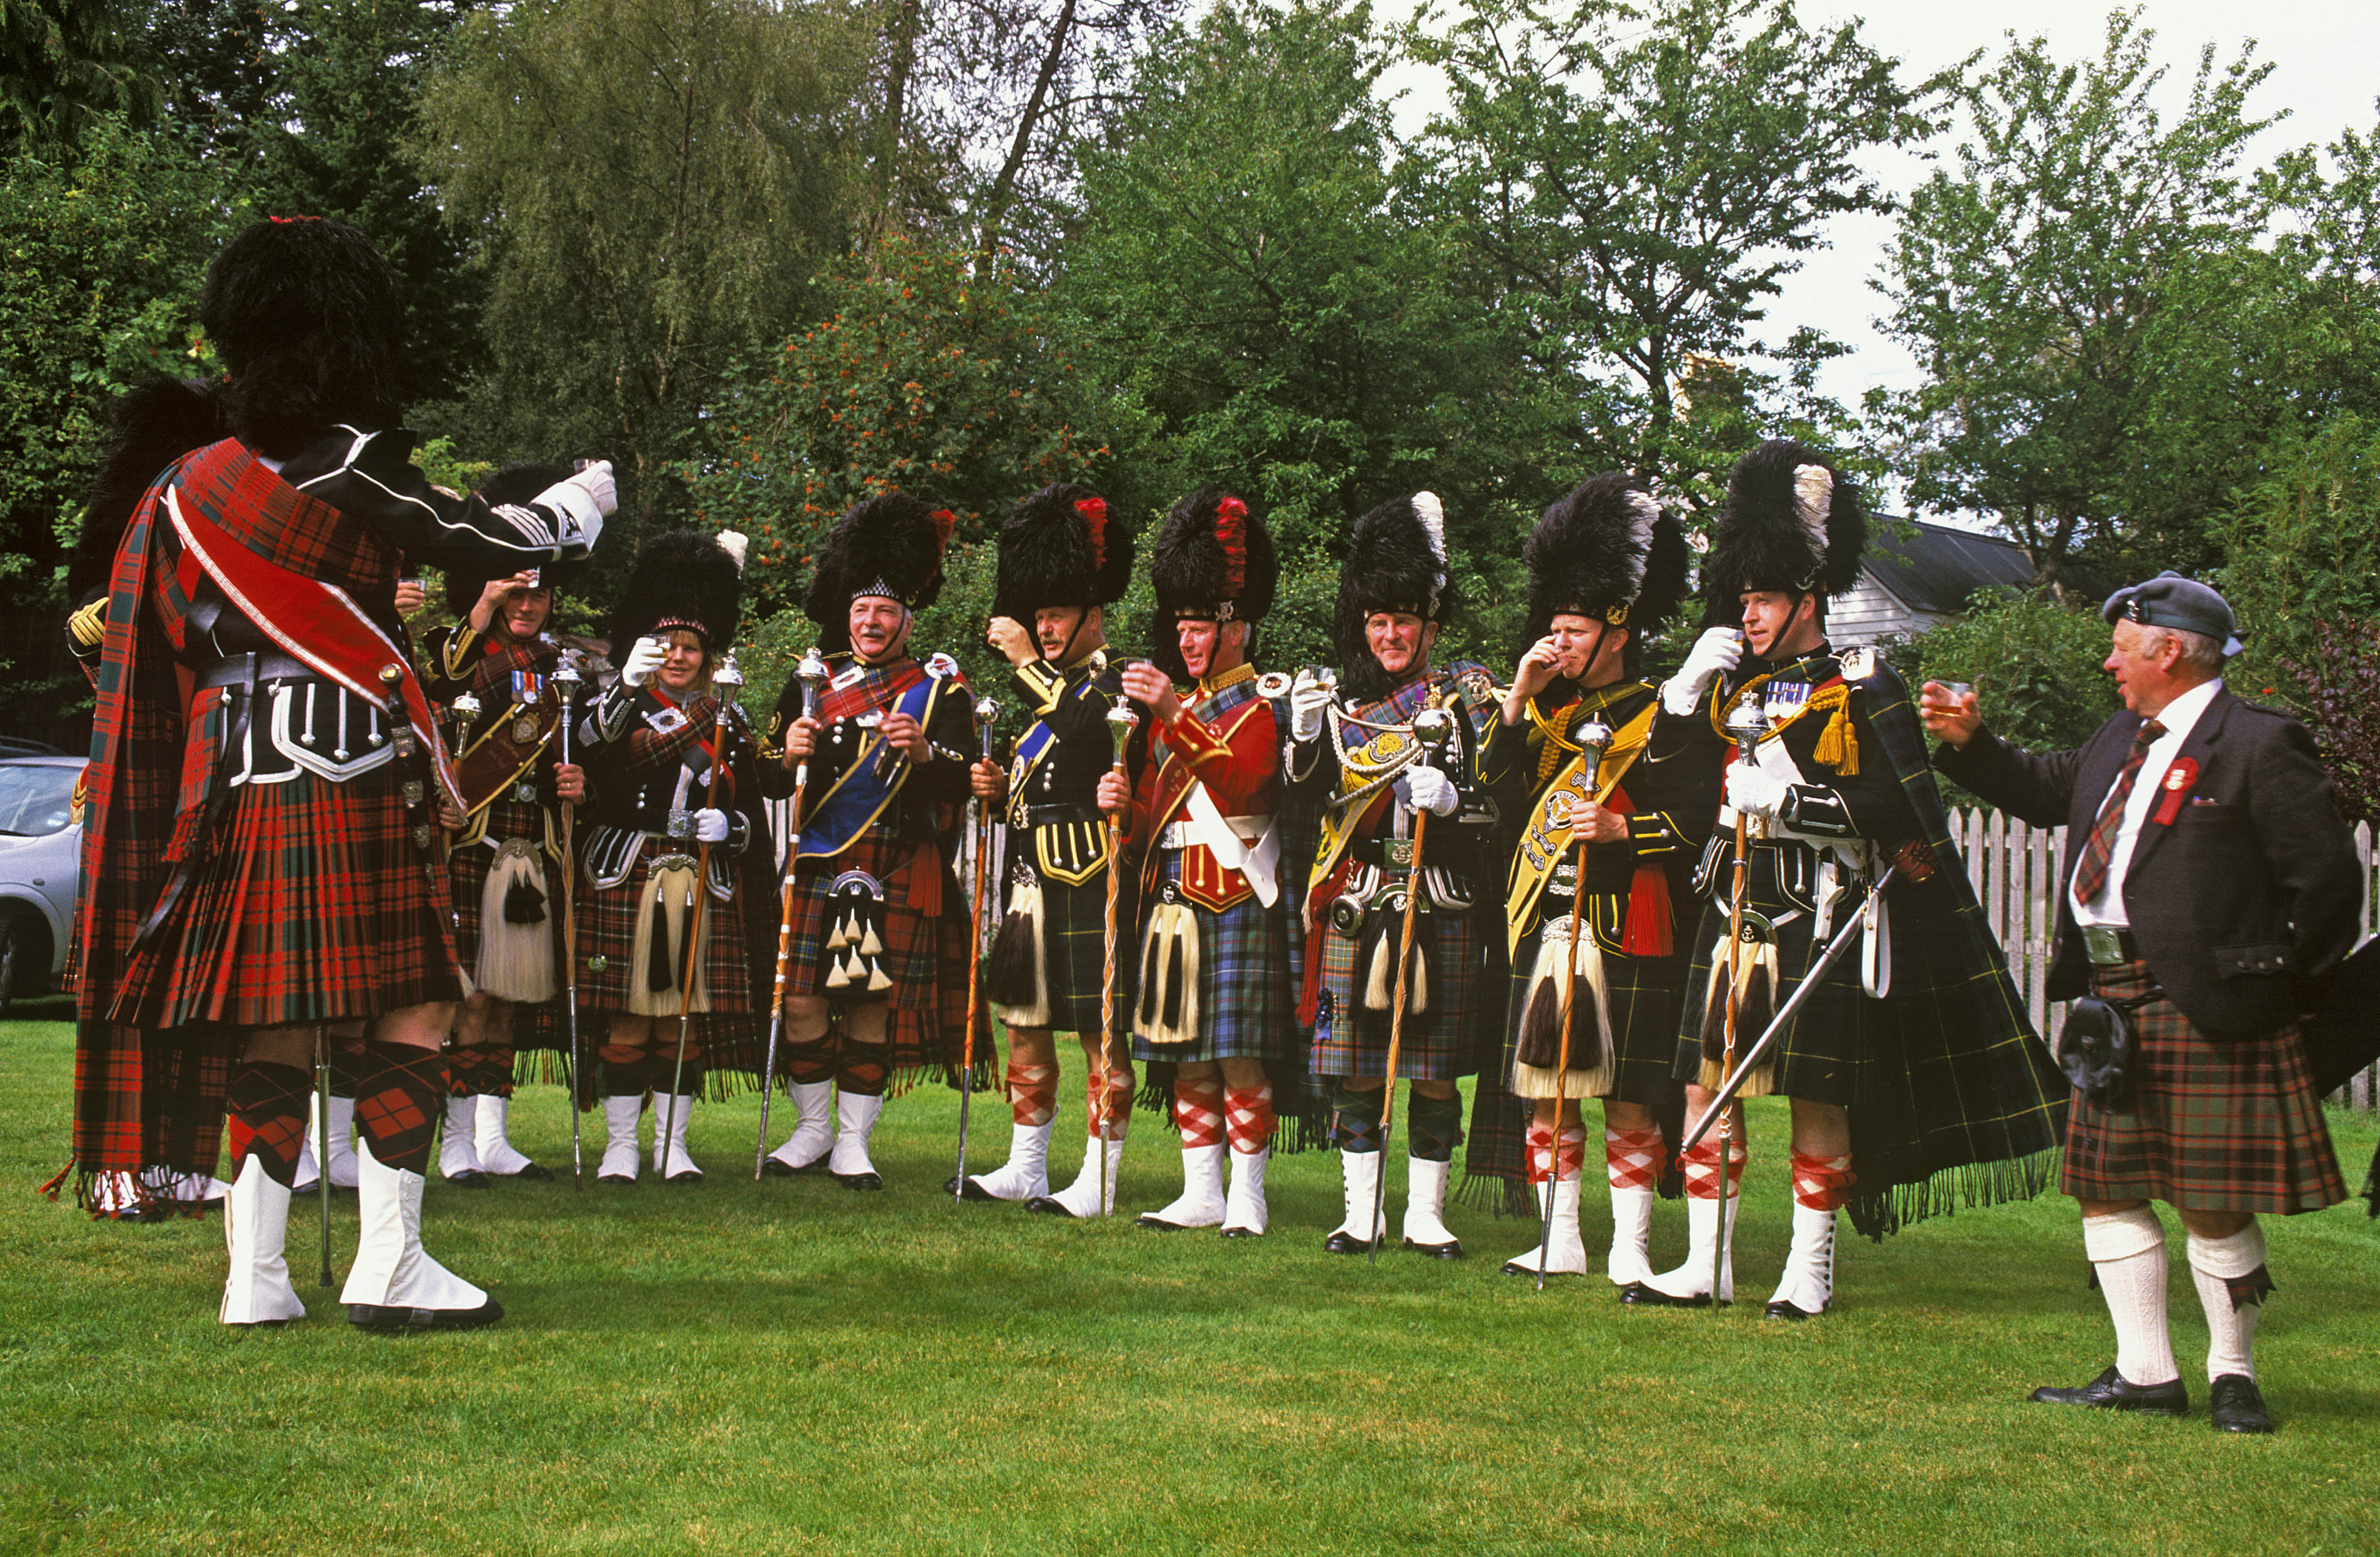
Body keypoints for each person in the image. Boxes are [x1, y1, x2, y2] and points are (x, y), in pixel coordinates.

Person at [68, 216, 611, 1329]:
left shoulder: (180, 489)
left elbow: (149, 648)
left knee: (267, 1025)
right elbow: (474, 535)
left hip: (227, 780)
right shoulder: (352, 463)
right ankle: (389, 1265)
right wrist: (574, 509)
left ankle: (255, 1278)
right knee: (412, 1006)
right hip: (350, 762)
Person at [1626, 437, 2064, 1317]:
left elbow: (1901, 811)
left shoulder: (1865, 685)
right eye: (1744, 596)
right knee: (1703, 1084)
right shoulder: (1726, 691)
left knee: (1819, 1093)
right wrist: (1676, 705)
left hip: (1816, 912)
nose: (1749, 614)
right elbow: (1663, 790)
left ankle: (1809, 1267)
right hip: (1729, 908)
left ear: (1808, 597)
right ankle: (1706, 1260)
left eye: (1765, 598)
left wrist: (1792, 807)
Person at [1926, 572, 2357, 1434]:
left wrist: (2273, 989)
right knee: (2107, 1186)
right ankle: (2144, 1371)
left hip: (2212, 1005)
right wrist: (1973, 743)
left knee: (2211, 1197)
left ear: (2169, 651)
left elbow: (2331, 887)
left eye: (2122, 647)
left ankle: (2233, 1373)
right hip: (2112, 997)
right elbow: (2047, 790)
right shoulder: (2122, 733)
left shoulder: (2258, 743)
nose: (2108, 661)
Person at [1472, 475, 1706, 1282]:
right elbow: (1499, 802)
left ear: (1617, 632)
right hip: (1550, 920)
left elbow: (1696, 823)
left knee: (1631, 1094)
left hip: (1627, 919)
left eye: (1572, 633)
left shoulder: (1668, 712)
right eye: (1554, 630)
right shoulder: (1549, 714)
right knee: (1549, 1086)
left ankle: (1632, 1247)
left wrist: (1621, 828)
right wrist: (1518, 696)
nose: (1558, 644)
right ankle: (1558, 1236)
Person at [1285, 493, 1501, 1257]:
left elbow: (1497, 811)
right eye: (1377, 622)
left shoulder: (1468, 697)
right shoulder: (1346, 706)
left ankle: (1426, 1216)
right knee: (1356, 1068)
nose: (1389, 635)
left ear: (1430, 628)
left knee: (1435, 1068)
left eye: (1403, 622)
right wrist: (1306, 732)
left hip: (1437, 896)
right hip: (1359, 896)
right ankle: (1361, 1211)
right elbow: (1307, 797)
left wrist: (1452, 801)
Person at [761, 495, 976, 1189]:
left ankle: (853, 1140)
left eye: (885, 613)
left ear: (907, 621)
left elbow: (970, 780)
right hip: (823, 858)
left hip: (895, 856)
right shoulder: (811, 682)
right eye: (861, 611)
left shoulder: (941, 691)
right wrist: (786, 752)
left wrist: (926, 756)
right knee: (799, 1002)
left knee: (867, 1001)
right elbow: (763, 775)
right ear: (846, 616)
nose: (871, 623)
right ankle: (812, 1129)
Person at [1097, 488, 1295, 1233]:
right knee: (1186, 1056)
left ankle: (1248, 1196)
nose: (1186, 642)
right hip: (1175, 896)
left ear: (1237, 630)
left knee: (1240, 1056)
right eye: (1180, 629)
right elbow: (1152, 819)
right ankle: (1200, 1191)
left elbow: (1249, 784)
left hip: (1240, 890)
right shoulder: (1167, 716)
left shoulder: (1264, 706)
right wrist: (1121, 804)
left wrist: (1175, 718)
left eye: (1201, 628)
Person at [960, 484, 1140, 1213]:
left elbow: (1085, 730)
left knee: (1100, 1038)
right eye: (1039, 616)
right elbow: (1042, 780)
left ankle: (1098, 1178)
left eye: (1058, 614)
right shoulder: (1050, 693)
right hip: (1032, 880)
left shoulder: (1111, 680)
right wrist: (999, 788)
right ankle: (1026, 1166)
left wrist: (1023, 662)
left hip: (1091, 877)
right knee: (1024, 1030)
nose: (1046, 626)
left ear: (1093, 615)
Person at [574, 528, 769, 1184]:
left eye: (690, 647)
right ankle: (621, 1148)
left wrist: (730, 828)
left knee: (684, 1016)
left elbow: (754, 816)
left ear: (707, 654)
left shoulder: (730, 719)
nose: (679, 657)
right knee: (629, 1013)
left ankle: (673, 1146)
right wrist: (626, 689)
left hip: (700, 873)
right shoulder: (620, 702)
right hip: (628, 864)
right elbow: (588, 751)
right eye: (667, 646)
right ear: (645, 649)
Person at [421, 463, 594, 1185]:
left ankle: (494, 1137)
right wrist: (482, 608)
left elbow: (579, 749)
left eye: (539, 592)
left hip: (533, 846)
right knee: (472, 996)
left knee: (513, 997)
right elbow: (440, 686)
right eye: (515, 591)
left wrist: (577, 782)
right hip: (475, 840)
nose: (530, 604)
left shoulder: (563, 668)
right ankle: (455, 1143)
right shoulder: (452, 647)